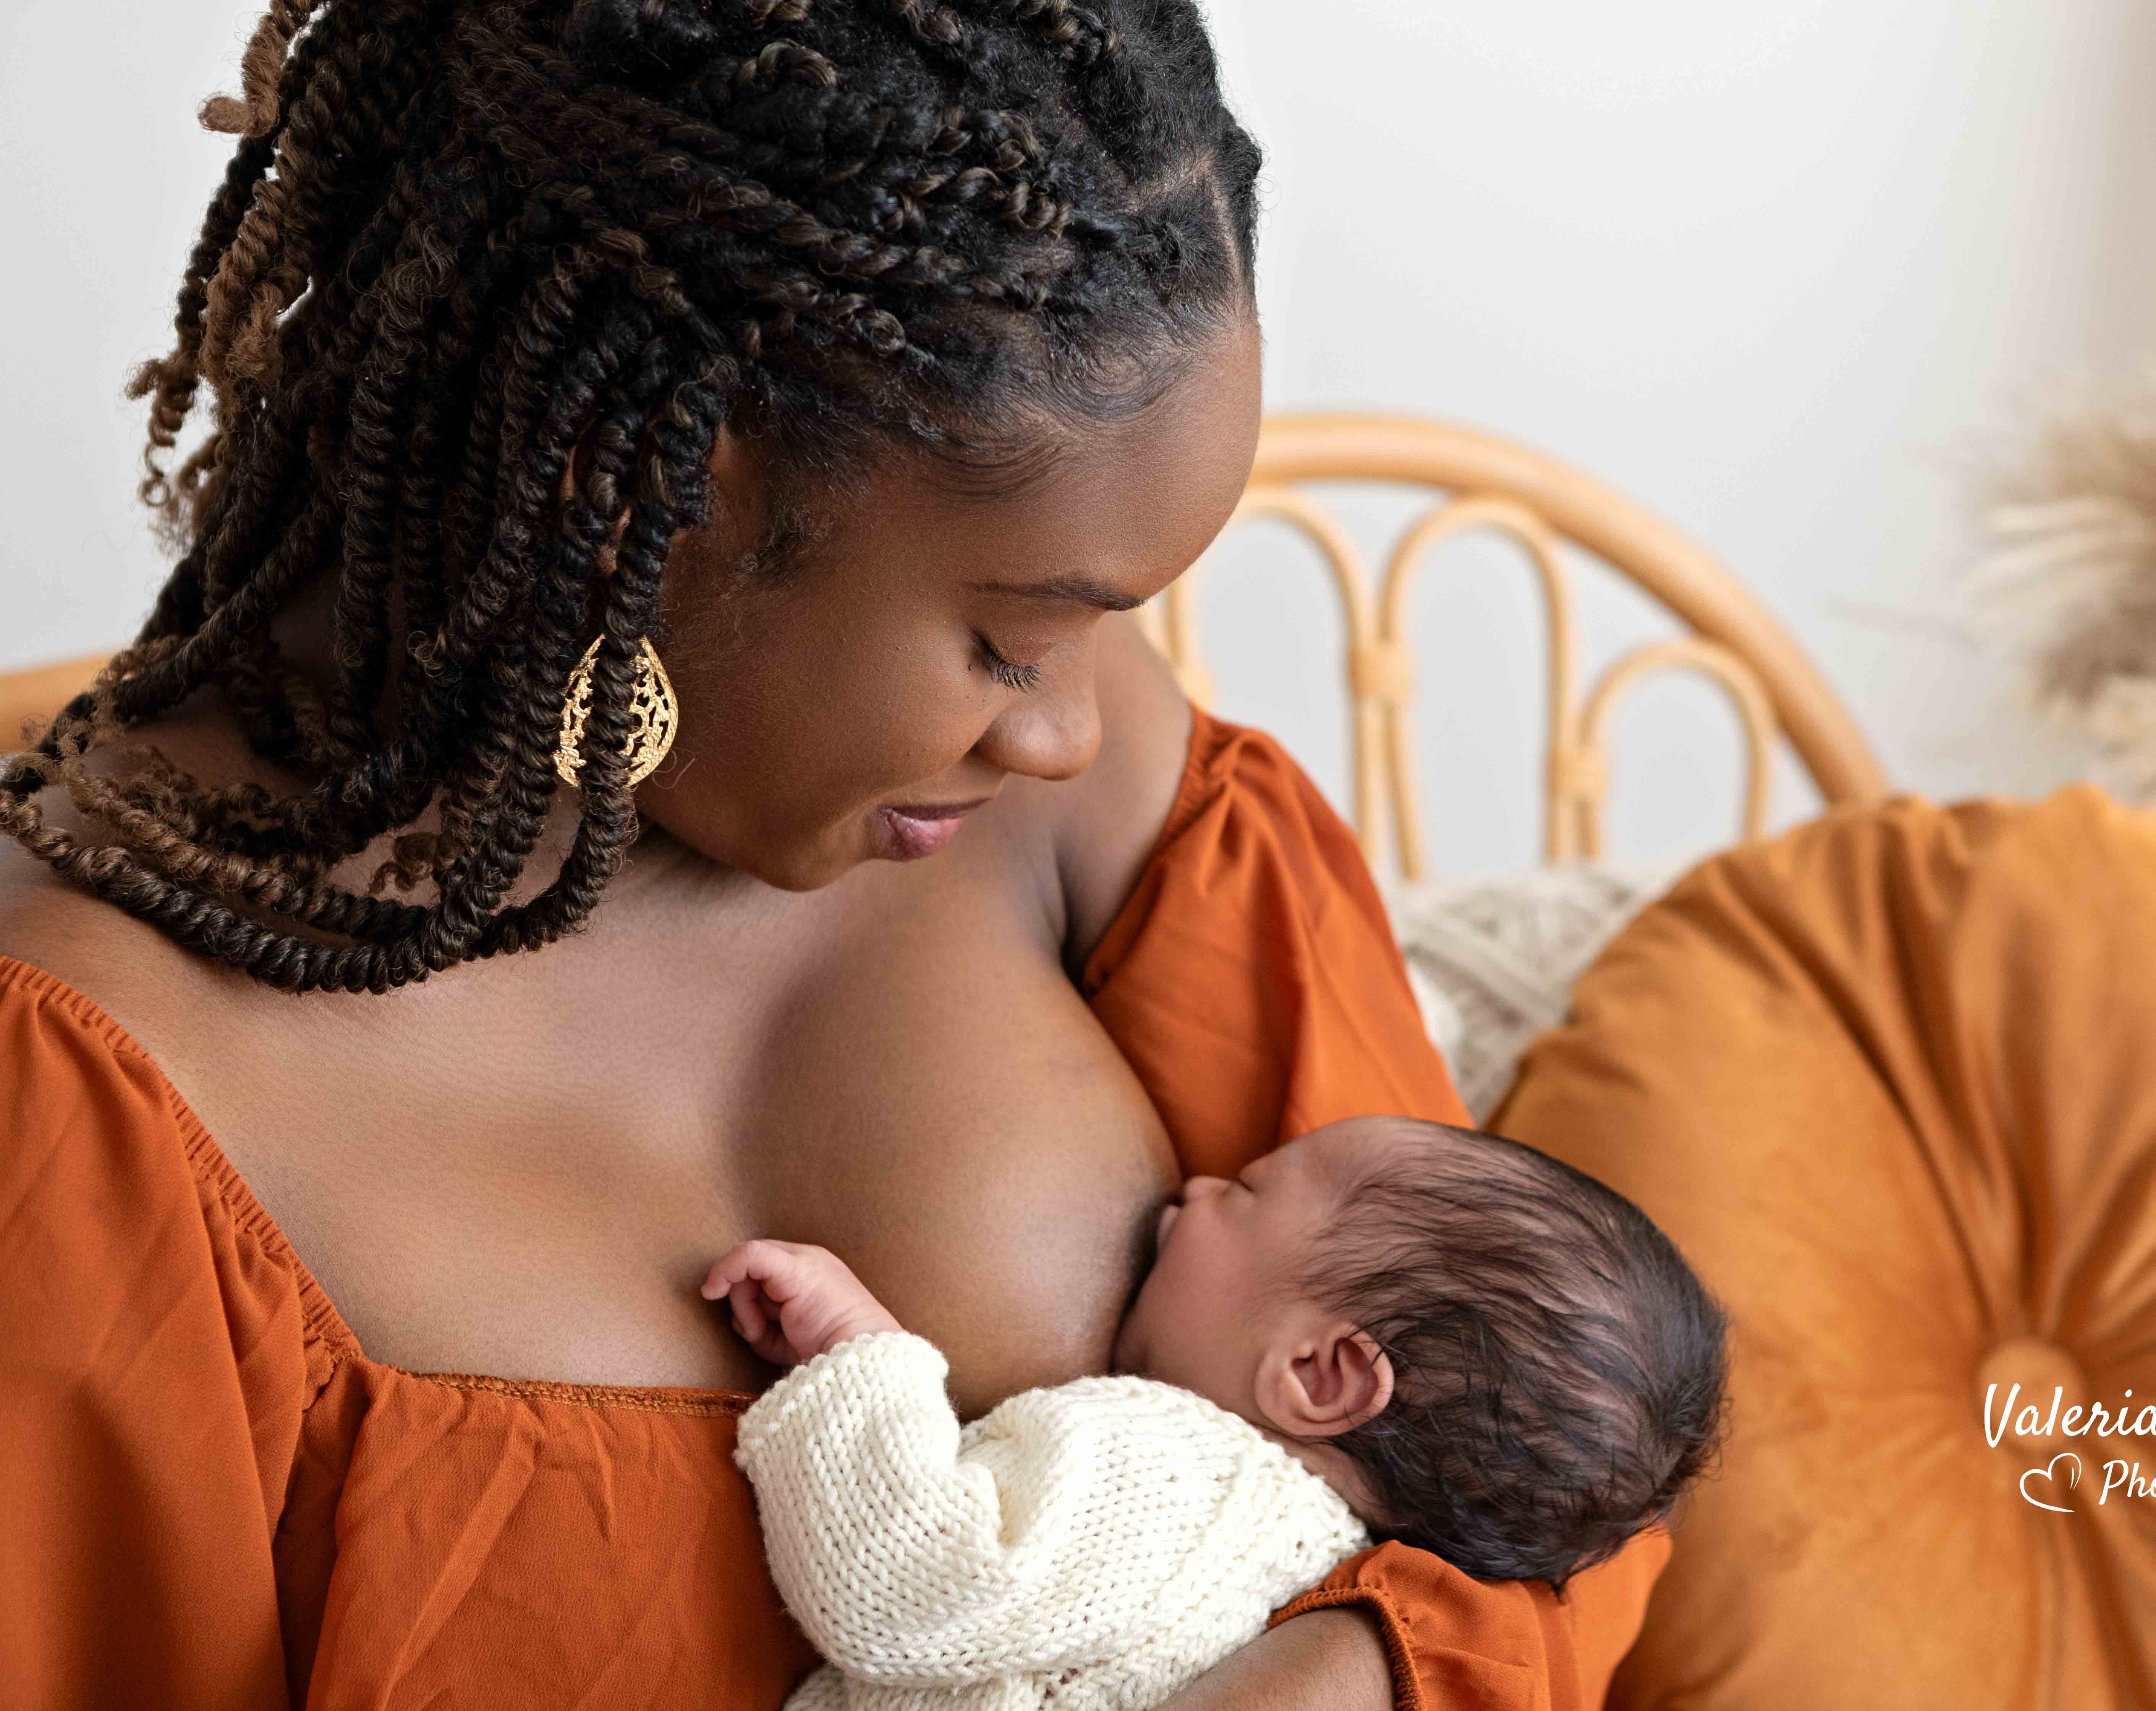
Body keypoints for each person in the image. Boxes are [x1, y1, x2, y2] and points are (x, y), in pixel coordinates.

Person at [0, 2, 1667, 1707]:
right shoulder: (89, 1096)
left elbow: (1543, 1486)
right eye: (1015, 641)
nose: (1073, 730)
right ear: (642, 486)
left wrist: (1345, 1681)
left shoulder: (1095, 812)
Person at [702, 1118, 1727, 1709]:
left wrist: (861, 1354)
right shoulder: (1306, 1569)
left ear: (1319, 1374)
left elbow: (916, 1589)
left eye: (1244, 1190)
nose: (1190, 1187)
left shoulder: (1184, 1469)